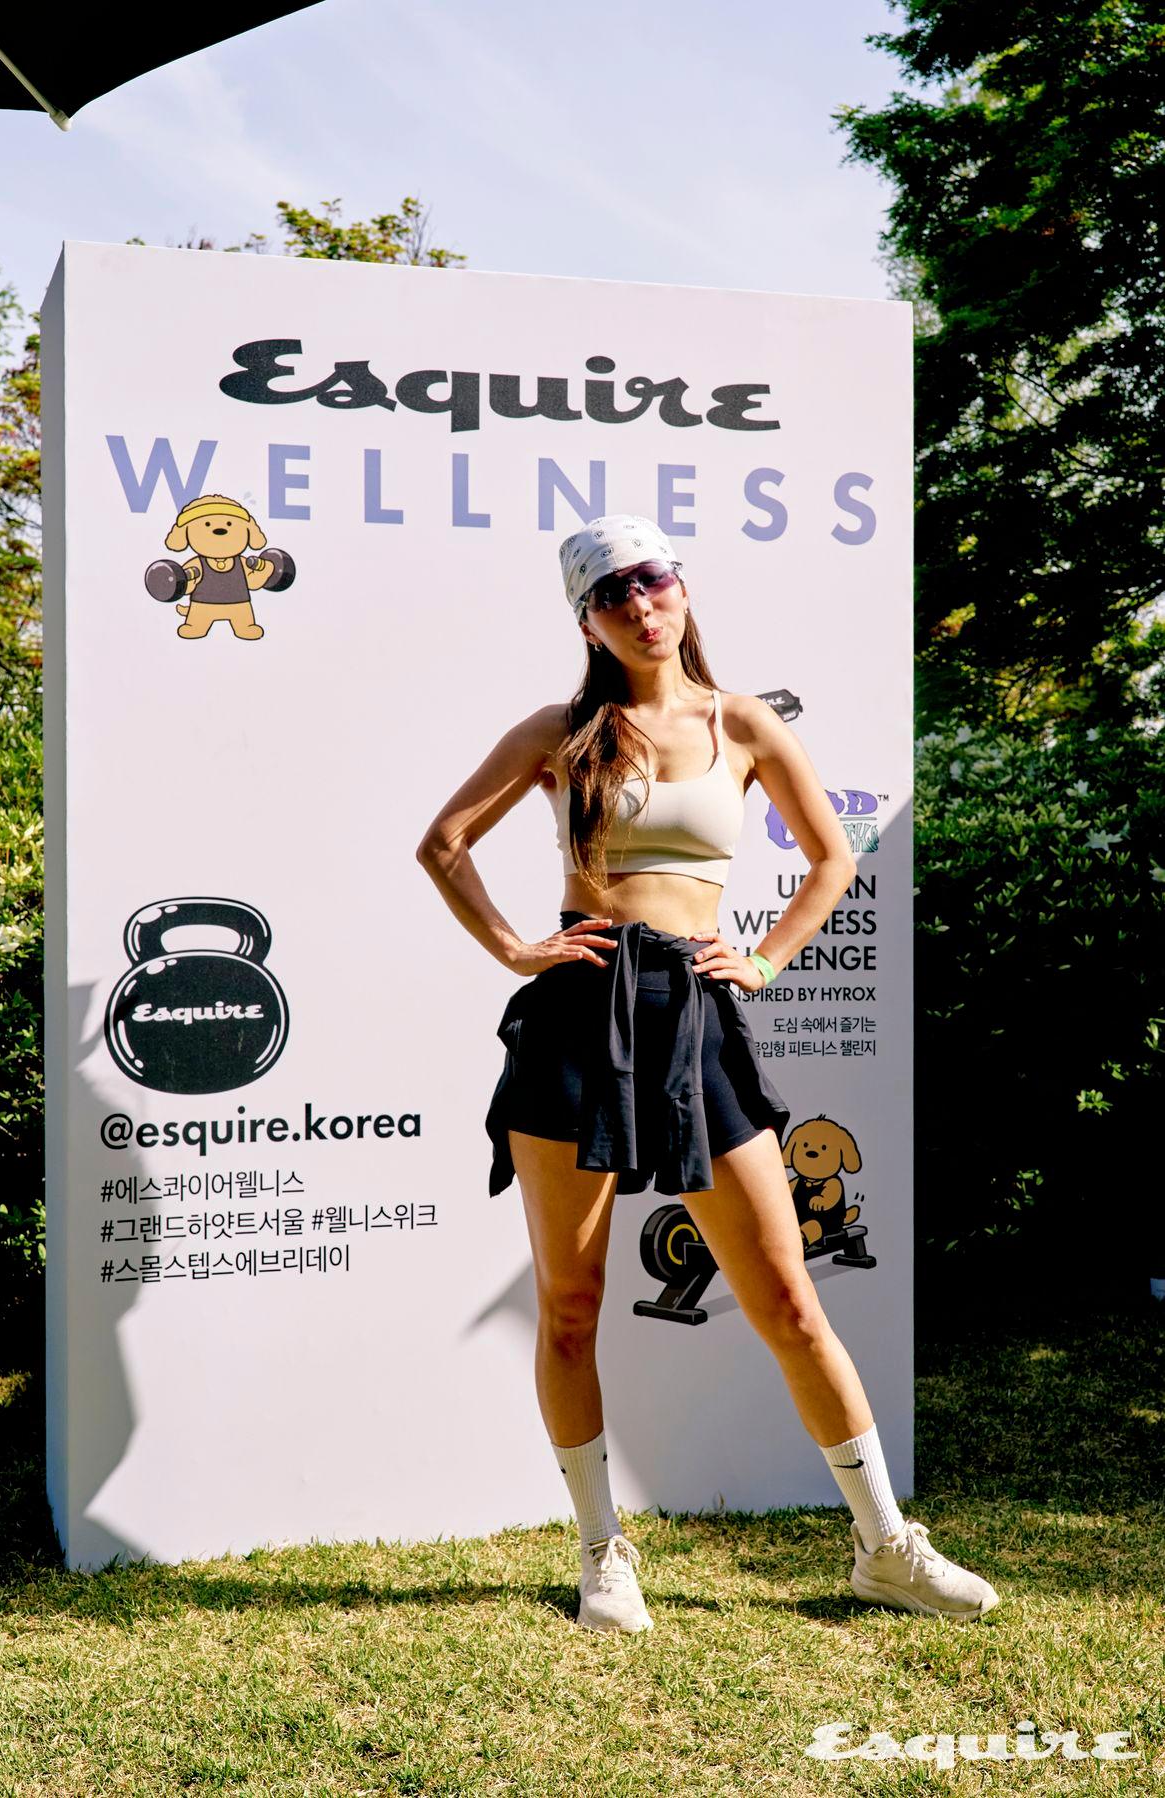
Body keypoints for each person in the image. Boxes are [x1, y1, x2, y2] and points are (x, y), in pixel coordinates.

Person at [415, 514, 1000, 1634]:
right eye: (612, 593)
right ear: (586, 621)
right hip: (577, 1018)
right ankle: (601, 1551)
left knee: (786, 1298)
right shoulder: (559, 733)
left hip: (694, 1020)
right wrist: (516, 949)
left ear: (681, 589)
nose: (640, 604)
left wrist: (765, 960)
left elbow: (832, 857)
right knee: (570, 1302)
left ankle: (884, 1546)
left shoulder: (743, 722)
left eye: (653, 579)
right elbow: (443, 843)